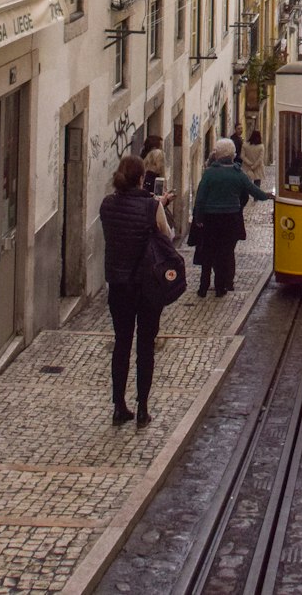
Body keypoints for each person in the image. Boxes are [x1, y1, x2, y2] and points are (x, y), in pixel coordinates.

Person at [99, 154, 172, 428]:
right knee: (145, 346)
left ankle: (119, 406)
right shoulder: (151, 207)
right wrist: (160, 207)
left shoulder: (107, 205)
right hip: (147, 285)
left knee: (122, 343)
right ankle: (142, 409)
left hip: (119, 285)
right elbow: (167, 237)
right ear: (142, 178)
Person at [192, 138, 272, 297]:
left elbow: (200, 198)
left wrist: (198, 218)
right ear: (232, 155)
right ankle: (220, 288)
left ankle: (203, 287)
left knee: (208, 252)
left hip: (210, 219)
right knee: (224, 253)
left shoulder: (209, 174)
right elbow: (253, 190)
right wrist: (268, 196)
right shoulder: (238, 174)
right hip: (231, 219)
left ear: (217, 154)